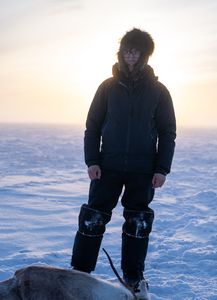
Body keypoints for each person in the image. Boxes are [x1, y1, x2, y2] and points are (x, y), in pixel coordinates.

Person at [71, 28, 176, 299]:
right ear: (121, 53)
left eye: (136, 51)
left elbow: (167, 132)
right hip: (108, 166)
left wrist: (161, 168)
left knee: (138, 223)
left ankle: (133, 278)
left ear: (144, 55)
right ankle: (79, 273)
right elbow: (92, 127)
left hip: (143, 169)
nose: (131, 55)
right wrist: (92, 160)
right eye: (127, 50)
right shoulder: (107, 87)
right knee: (93, 218)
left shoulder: (159, 91)